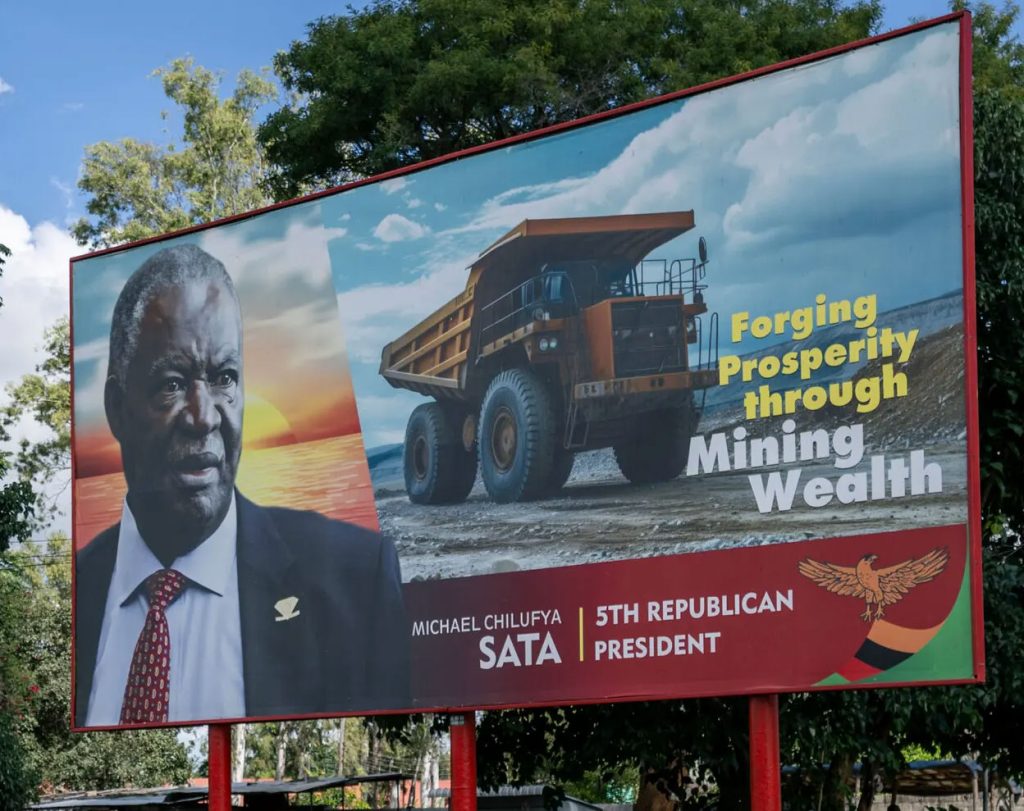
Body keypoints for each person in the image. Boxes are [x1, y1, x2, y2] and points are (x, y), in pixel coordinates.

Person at [74, 244, 410, 728]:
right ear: (116, 407)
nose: (203, 417)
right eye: (172, 383)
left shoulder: (355, 581)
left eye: (225, 378)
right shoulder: (80, 591)